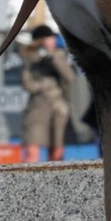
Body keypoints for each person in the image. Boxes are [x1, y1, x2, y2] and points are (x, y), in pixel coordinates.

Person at [19, 24, 76, 162]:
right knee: (32, 150)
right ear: (40, 40)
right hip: (37, 107)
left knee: (57, 151)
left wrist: (54, 58)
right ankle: (28, 175)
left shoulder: (59, 55)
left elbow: (69, 77)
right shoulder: (30, 57)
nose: (53, 41)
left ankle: (55, 175)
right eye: (49, 38)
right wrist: (45, 84)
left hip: (58, 106)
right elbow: (27, 83)